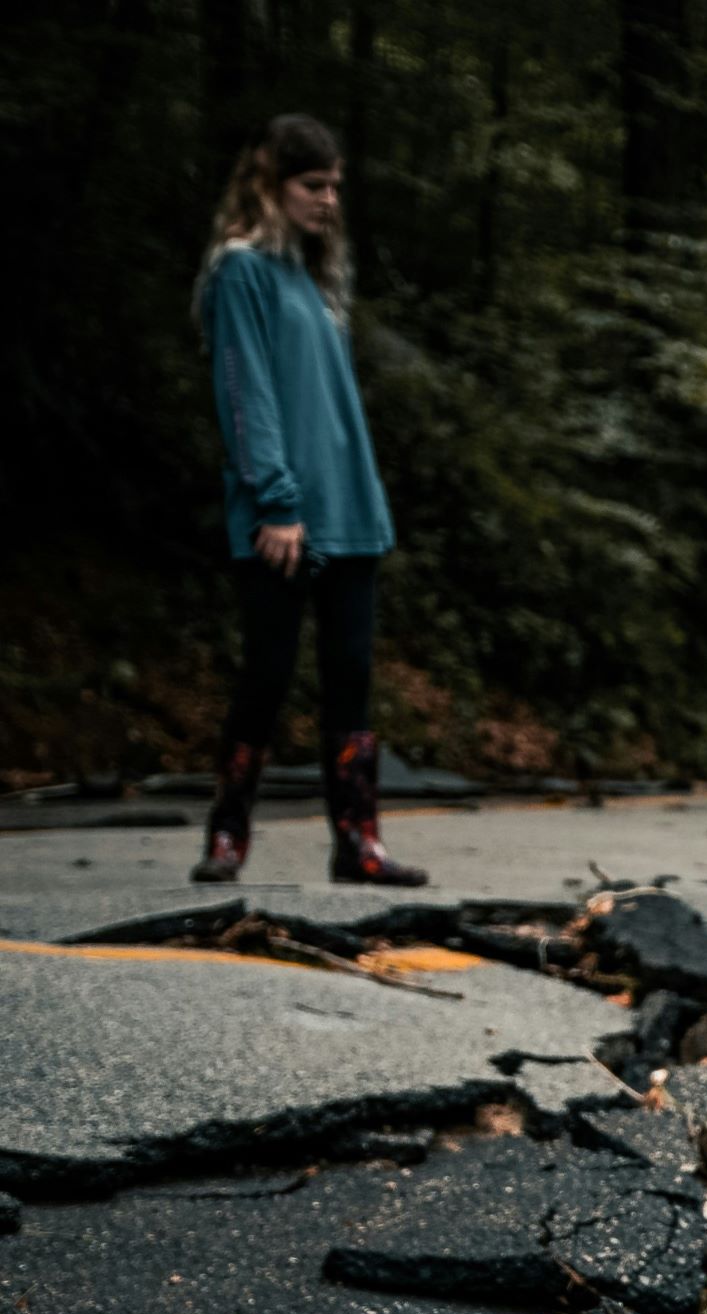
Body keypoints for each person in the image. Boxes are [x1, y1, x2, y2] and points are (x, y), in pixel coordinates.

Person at [191, 113, 425, 886]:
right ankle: (227, 834)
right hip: (283, 516)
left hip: (350, 511)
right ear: (271, 184)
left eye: (334, 186)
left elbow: (330, 407)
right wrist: (276, 500)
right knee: (267, 671)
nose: (328, 200)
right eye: (311, 185)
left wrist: (360, 505)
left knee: (350, 675)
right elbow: (244, 391)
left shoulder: (315, 281)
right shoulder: (242, 270)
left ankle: (358, 842)